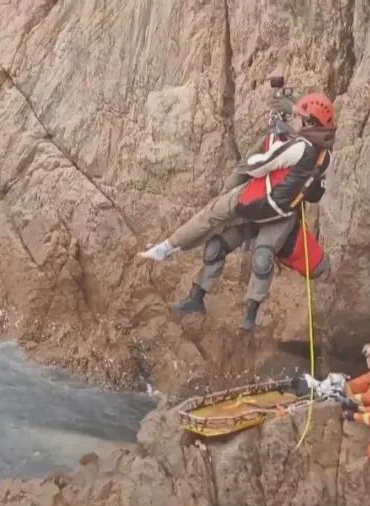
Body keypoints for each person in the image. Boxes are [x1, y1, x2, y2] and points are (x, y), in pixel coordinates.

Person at [139, 92, 336, 331]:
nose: (294, 119)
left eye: (299, 116)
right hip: (273, 209)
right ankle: (197, 299)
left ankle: (167, 250)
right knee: (219, 247)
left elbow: (261, 164)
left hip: (261, 204)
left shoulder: (297, 148)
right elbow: (315, 192)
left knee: (229, 231)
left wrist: (250, 164)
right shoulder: (325, 156)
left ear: (309, 124)